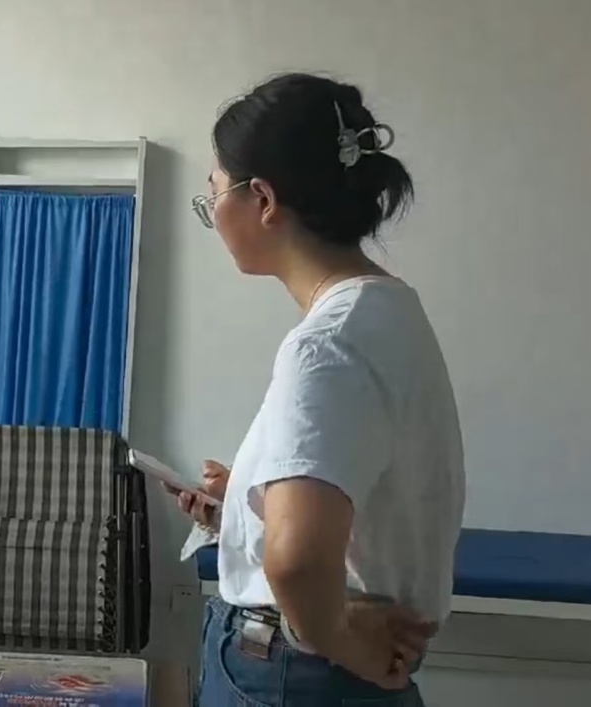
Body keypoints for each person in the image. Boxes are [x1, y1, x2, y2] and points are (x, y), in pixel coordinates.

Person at [179, 73, 465, 705]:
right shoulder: (389, 311)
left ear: (262, 199)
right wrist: (243, 507)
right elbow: (362, 499)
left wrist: (342, 640)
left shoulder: (326, 344)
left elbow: (299, 562)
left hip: (293, 676)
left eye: (213, 195)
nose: (213, 214)